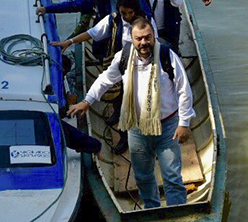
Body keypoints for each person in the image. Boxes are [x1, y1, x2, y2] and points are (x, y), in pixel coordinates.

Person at [67, 17, 194, 208]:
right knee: (143, 176)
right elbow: (105, 79)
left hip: (167, 127)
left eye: (147, 37)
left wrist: (184, 123)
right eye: (139, 39)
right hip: (136, 128)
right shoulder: (124, 57)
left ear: (153, 36)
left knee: (172, 176)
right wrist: (87, 101)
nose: (143, 42)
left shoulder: (167, 55)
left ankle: (177, 211)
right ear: (132, 39)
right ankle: (152, 210)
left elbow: (184, 90)